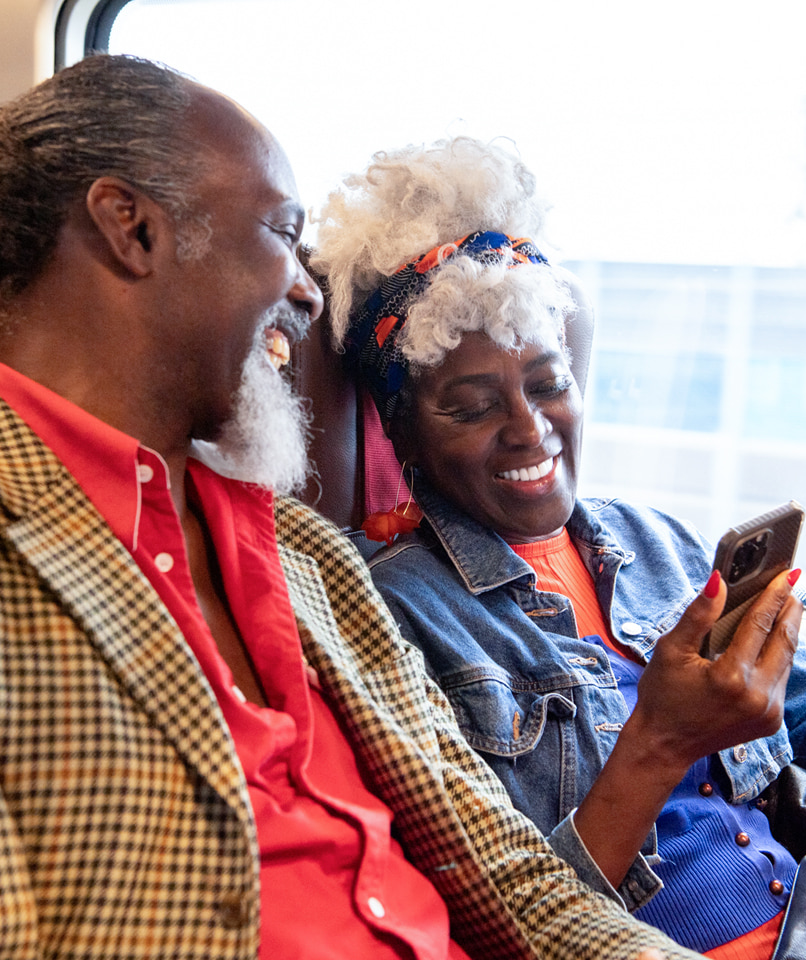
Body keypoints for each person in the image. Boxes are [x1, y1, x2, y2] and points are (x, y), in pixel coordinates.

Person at [0, 55, 701, 960]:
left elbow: (513, 880)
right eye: (281, 235)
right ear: (129, 228)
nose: (304, 290)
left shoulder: (302, 551)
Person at [309, 136, 806, 959]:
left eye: (549, 385)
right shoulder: (388, 611)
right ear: (401, 432)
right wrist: (660, 744)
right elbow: (502, 925)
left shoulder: (656, 544)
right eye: (473, 407)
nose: (530, 429)